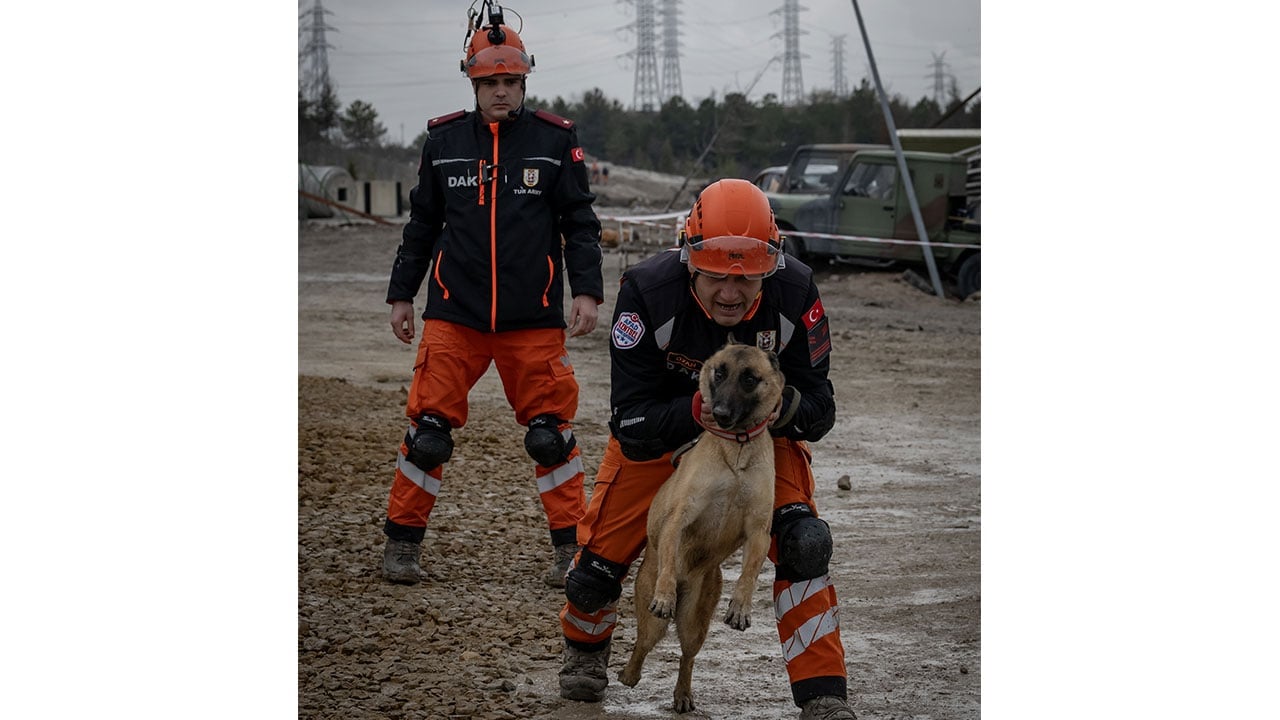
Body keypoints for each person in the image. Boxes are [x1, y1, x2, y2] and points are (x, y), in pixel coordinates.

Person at [555, 179, 857, 719]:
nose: (730, 292)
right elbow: (629, 418)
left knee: (806, 542)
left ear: (772, 264)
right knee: (593, 573)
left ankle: (823, 693)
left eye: (746, 277)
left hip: (762, 438)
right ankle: (584, 651)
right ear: (688, 256)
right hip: (663, 439)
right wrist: (698, 413)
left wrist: (777, 406)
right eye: (715, 272)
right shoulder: (648, 291)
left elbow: (821, 407)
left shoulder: (796, 293)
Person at [379, 4, 604, 590]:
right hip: (456, 315)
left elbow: (579, 223)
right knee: (427, 436)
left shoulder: (556, 141)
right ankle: (401, 545)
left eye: (510, 81)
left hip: (534, 319)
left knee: (550, 436)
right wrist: (402, 294)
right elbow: (421, 224)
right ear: (473, 82)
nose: (501, 92)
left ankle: (570, 552)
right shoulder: (444, 141)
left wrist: (588, 293)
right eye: (490, 83)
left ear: (525, 80)